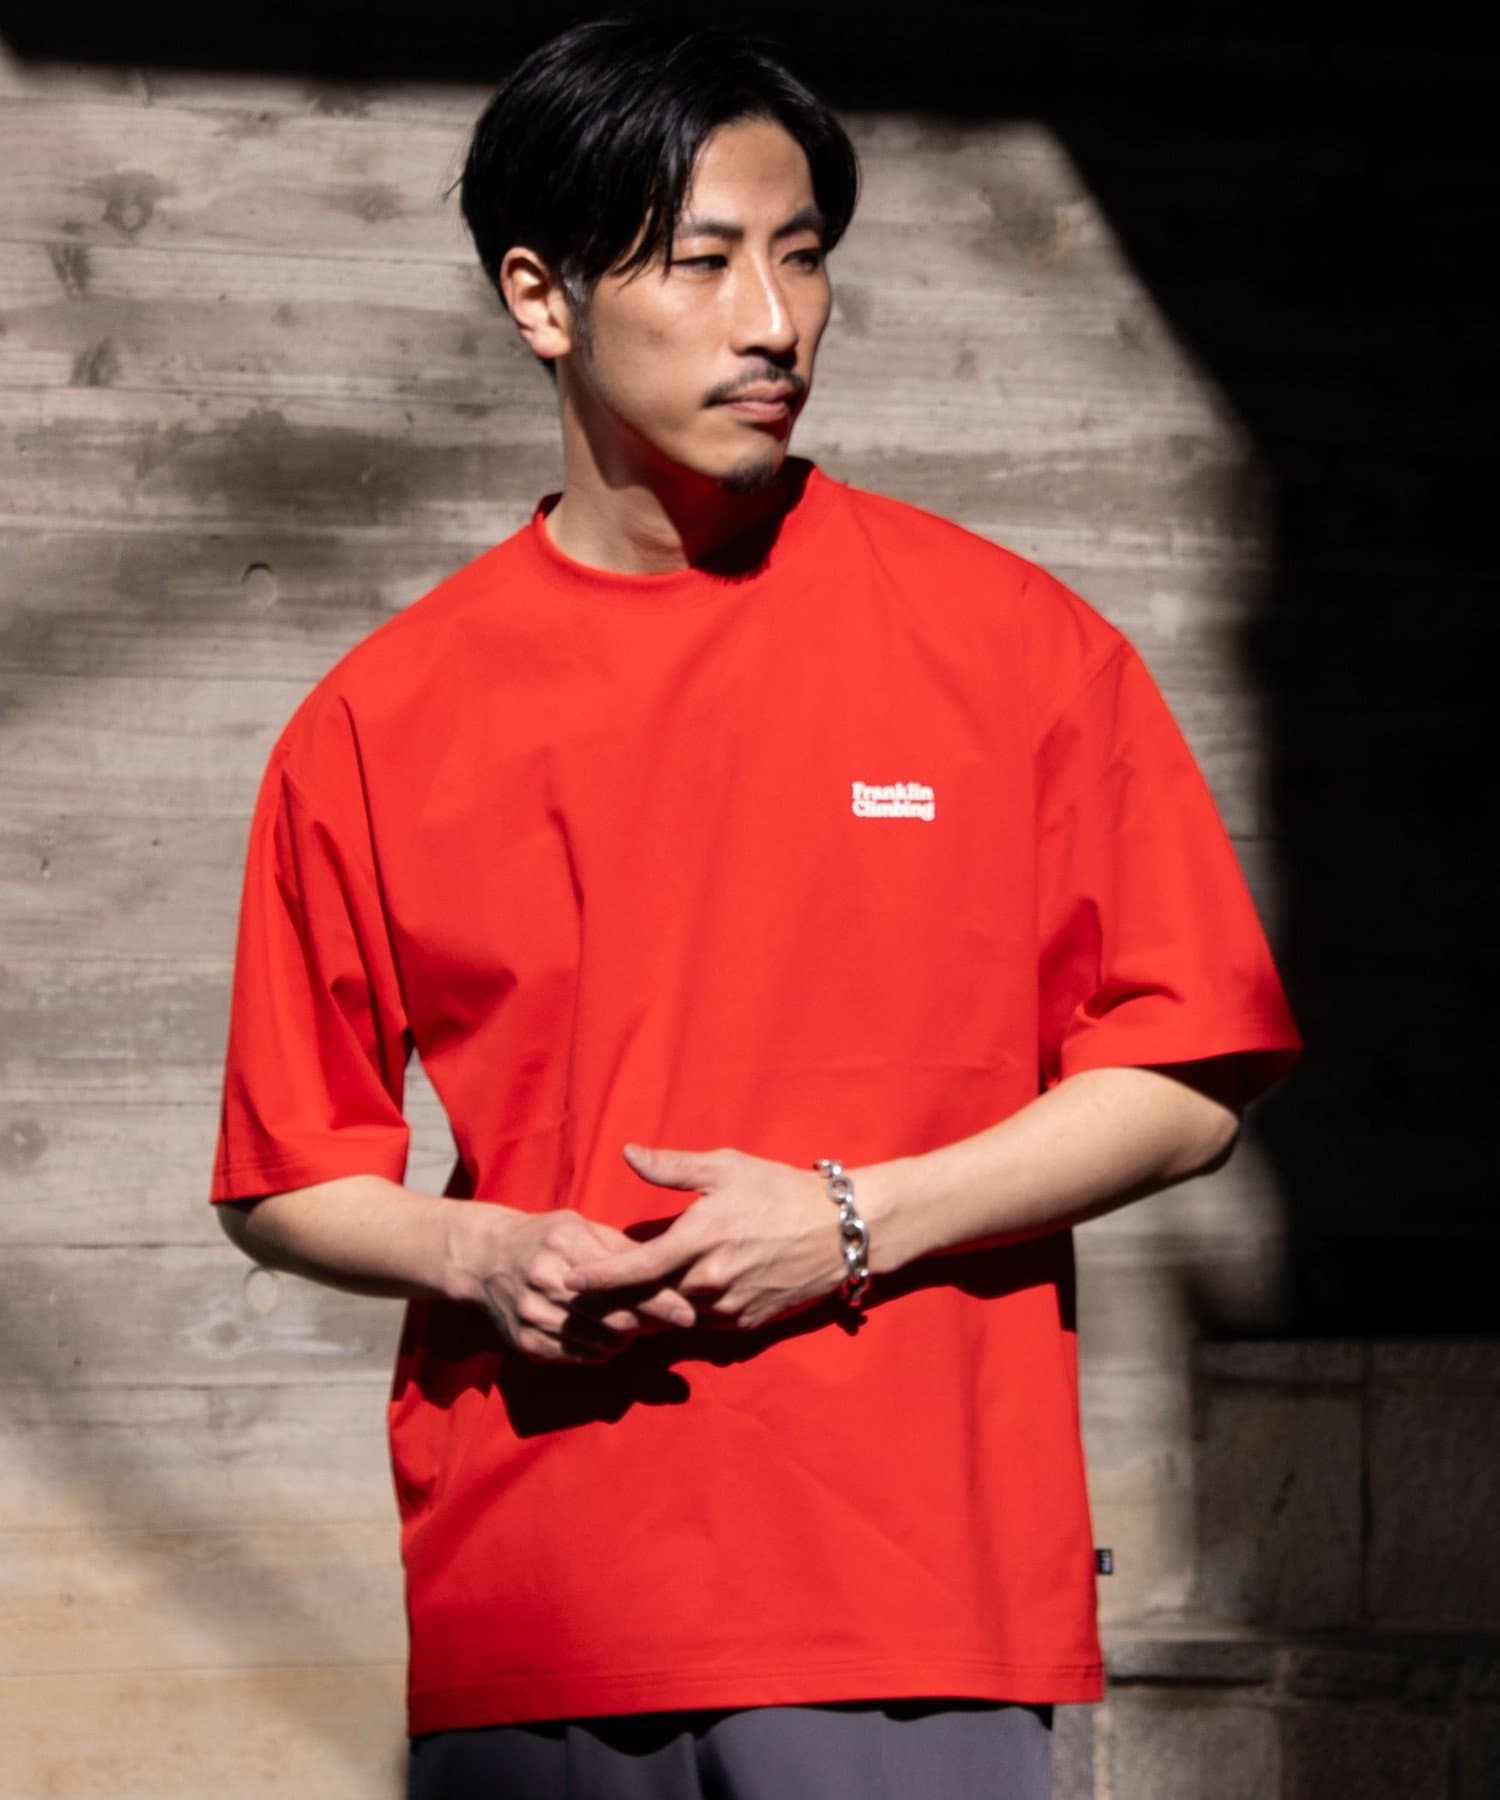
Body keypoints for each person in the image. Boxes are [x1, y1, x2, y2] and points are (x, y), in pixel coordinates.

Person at [208, 18, 1303, 1799]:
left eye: (803, 258)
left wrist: (856, 1221)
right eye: (705, 261)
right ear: (542, 297)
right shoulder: (383, 717)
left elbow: (1189, 1079)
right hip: (536, 1600)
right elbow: (284, 1170)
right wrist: (482, 1254)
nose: (775, 320)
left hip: (906, 1606)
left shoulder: (1013, 649)